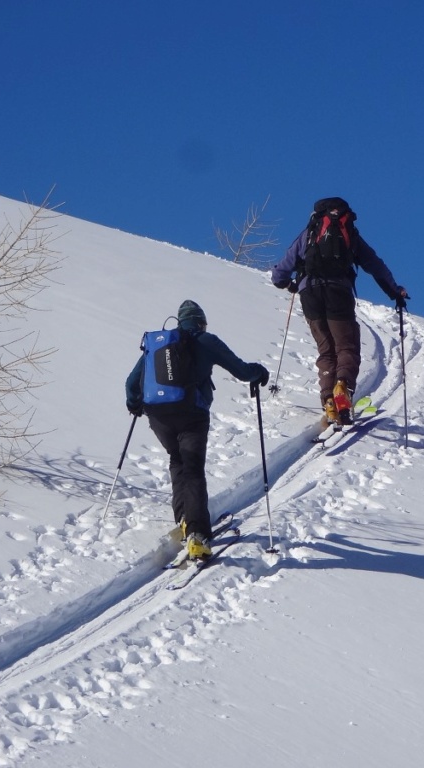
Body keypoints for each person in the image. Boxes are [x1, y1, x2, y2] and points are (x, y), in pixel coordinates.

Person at [125, 300, 269, 560]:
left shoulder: (160, 343)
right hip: (192, 415)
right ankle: (197, 535)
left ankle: (184, 518)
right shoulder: (206, 340)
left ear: (179, 322)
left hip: (159, 416)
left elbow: (131, 382)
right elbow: (242, 371)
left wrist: (135, 404)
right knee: (192, 469)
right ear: (201, 321)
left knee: (177, 460)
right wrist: (258, 372)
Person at [271, 197, 408, 426]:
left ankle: (329, 401)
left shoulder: (309, 233)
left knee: (326, 351)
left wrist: (291, 285)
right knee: (346, 346)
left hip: (310, 295)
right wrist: (395, 292)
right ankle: (342, 386)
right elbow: (376, 266)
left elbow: (279, 275)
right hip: (338, 292)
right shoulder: (351, 235)